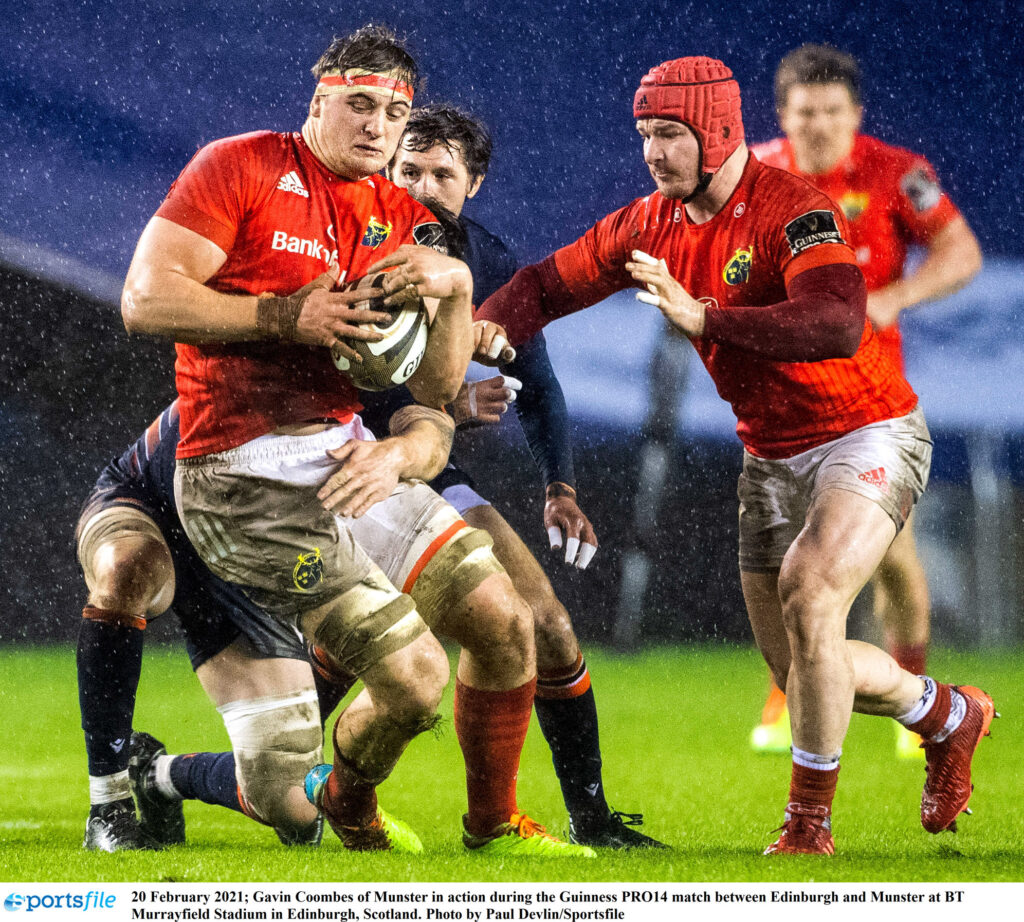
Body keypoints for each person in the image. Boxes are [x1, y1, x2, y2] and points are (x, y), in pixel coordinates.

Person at [477, 55, 996, 855]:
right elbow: (547, 285)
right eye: (645, 134)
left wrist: (707, 320)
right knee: (800, 671)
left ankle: (807, 829)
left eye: (670, 135)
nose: (652, 152)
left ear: (716, 131)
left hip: (868, 432)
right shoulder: (649, 221)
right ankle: (944, 713)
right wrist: (489, 330)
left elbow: (834, 324)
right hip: (772, 456)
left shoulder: (795, 208)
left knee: (811, 591)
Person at [118, 23, 591, 857]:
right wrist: (280, 315)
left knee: (505, 620)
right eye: (358, 105)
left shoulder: (403, 219)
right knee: (407, 688)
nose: (376, 127)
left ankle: (483, 827)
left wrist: (453, 293)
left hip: (347, 457)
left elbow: (435, 399)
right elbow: (145, 301)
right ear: (320, 100)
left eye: (391, 115)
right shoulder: (241, 165)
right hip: (239, 474)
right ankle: (305, 796)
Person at [384, 104, 664, 847]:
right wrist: (440, 402)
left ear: (473, 183)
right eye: (407, 169)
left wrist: (559, 487)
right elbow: (324, 387)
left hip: (428, 468)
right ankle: (274, 784)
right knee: (375, 651)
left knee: (547, 626)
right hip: (340, 467)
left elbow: (534, 383)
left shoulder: (491, 263)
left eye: (441, 173)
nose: (420, 186)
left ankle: (588, 819)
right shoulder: (353, 236)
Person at [747, 44, 984, 759]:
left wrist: (894, 297)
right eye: (804, 112)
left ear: (856, 114)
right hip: (781, 403)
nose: (818, 125)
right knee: (789, 557)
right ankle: (790, 688)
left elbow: (962, 254)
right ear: (783, 116)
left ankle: (916, 695)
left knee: (890, 557)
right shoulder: (754, 174)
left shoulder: (895, 173)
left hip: (872, 407)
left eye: (831, 111)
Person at [76, 401, 446, 851]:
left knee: (295, 806)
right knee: (128, 568)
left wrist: (425, 424)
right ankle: (107, 806)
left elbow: (426, 407)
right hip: (153, 496)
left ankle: (156, 775)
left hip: (240, 539)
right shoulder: (287, 342)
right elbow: (144, 324)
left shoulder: (353, 372)